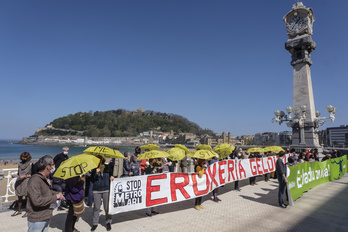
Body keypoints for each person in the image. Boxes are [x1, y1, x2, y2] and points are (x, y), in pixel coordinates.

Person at [26, 155, 64, 232]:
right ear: (47, 167)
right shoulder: (35, 180)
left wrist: (57, 193)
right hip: (37, 219)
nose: (53, 167)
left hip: (46, 216)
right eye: (52, 165)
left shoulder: (44, 179)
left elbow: (47, 191)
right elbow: (37, 201)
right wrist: (55, 197)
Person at [91, 156, 113, 231]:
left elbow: (111, 175)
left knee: (107, 207)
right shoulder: (94, 168)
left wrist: (112, 177)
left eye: (100, 159)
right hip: (96, 190)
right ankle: (95, 223)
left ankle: (108, 222)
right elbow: (91, 180)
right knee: (96, 207)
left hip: (106, 189)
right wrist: (95, 174)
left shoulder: (108, 167)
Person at [12, 152, 32, 217]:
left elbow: (32, 174)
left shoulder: (31, 164)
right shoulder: (20, 164)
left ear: (27, 157)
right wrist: (15, 175)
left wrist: (25, 176)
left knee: (27, 197)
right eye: (22, 157)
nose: (23, 158)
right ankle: (19, 210)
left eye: (25, 157)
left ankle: (28, 211)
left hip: (26, 181)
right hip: (19, 181)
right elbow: (18, 173)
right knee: (19, 196)